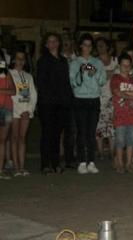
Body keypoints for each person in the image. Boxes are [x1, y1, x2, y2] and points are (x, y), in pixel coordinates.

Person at [37, 32, 74, 175]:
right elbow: (42, 84)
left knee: (57, 135)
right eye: (49, 41)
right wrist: (49, 100)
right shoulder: (43, 61)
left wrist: (68, 100)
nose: (52, 43)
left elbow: (66, 83)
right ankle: (45, 164)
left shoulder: (63, 61)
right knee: (47, 134)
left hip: (62, 104)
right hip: (47, 104)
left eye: (55, 41)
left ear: (58, 43)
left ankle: (56, 162)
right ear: (46, 45)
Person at [69, 33, 107, 174]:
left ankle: (91, 161)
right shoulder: (75, 63)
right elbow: (73, 82)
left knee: (91, 132)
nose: (87, 48)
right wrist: (81, 71)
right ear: (80, 46)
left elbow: (102, 80)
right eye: (85, 45)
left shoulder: (97, 62)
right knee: (81, 132)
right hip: (80, 99)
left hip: (94, 99)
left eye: (90, 45)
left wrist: (94, 73)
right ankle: (81, 161)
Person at [110, 54, 133, 173]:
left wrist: (125, 94)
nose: (126, 68)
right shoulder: (116, 78)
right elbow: (116, 92)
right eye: (124, 65)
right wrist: (130, 94)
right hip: (120, 114)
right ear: (119, 66)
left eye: (128, 65)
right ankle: (119, 162)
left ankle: (129, 163)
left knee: (132, 140)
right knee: (120, 140)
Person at [9, 50, 37, 176]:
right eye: (18, 59)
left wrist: (29, 110)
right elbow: (11, 95)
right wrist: (19, 110)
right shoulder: (9, 74)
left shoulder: (28, 76)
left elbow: (33, 94)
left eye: (22, 59)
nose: (20, 61)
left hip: (26, 111)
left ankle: (22, 166)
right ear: (13, 60)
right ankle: (15, 167)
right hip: (14, 111)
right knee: (14, 138)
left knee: (22, 138)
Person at [95, 36, 118, 162]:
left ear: (108, 46)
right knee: (99, 125)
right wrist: (107, 74)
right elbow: (91, 74)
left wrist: (104, 74)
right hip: (99, 97)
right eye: (98, 46)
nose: (100, 48)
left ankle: (112, 151)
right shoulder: (92, 61)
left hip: (113, 96)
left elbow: (120, 73)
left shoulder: (116, 60)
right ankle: (100, 151)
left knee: (112, 124)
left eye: (102, 45)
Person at [0, 50, 16, 179]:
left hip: (5, 108)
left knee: (3, 140)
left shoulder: (6, 73)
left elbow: (13, 91)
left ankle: (1, 170)